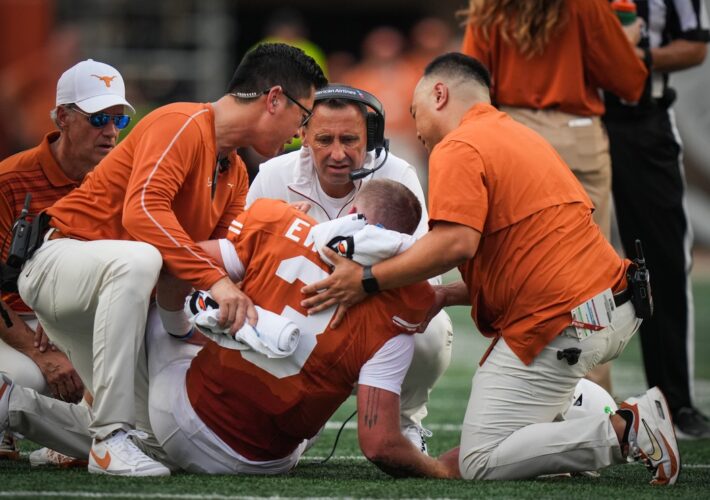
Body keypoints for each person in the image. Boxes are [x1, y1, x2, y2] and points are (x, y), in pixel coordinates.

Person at [302, 53, 680, 485]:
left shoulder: (460, 145)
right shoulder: (518, 136)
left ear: (439, 94)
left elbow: (456, 243)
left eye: (416, 112)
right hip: (609, 306)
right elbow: (519, 255)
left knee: (480, 460)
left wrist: (367, 281)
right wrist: (443, 294)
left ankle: (627, 430)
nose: (418, 128)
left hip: (565, 320)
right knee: (488, 449)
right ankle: (583, 419)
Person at [0, 180, 459, 478]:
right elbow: (379, 444)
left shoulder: (278, 219)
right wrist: (441, 472)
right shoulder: (404, 305)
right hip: (266, 461)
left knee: (154, 289)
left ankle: (77, 421)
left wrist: (184, 327)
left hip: (179, 408)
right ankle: (21, 409)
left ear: (352, 208)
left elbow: (173, 264)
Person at [14, 43, 327, 477]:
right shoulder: (181, 121)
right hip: (60, 260)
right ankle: (107, 442)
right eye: (304, 115)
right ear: (274, 99)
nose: (300, 133)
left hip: (118, 295)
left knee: (162, 441)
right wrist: (218, 284)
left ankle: (11, 406)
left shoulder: (234, 172)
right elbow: (143, 211)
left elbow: (221, 256)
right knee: (140, 259)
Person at [247, 84, 453, 451]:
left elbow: (427, 269)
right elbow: (241, 263)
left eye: (350, 139)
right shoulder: (272, 177)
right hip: (298, 310)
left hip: (376, 309)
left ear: (370, 138)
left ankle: (404, 420)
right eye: (325, 139)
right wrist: (276, 233)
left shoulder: (398, 172)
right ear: (303, 134)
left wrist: (364, 281)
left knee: (430, 328)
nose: (338, 153)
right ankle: (288, 411)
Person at [460, 0, 648, 392]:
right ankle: (591, 397)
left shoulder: (488, 7)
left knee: (518, 269)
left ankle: (521, 389)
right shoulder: (587, 5)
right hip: (577, 133)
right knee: (590, 274)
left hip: (512, 134)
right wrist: (626, 38)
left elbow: (470, 82)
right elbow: (630, 81)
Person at [0, 59, 133, 464]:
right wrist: (43, 353)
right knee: (27, 378)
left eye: (118, 120)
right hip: (17, 328)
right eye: (98, 119)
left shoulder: (123, 182)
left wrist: (68, 335)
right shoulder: (9, 180)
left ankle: (63, 440)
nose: (111, 132)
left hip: (81, 322)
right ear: (63, 118)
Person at [603, 0, 710, 439]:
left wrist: (627, 57)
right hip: (573, 120)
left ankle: (674, 400)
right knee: (555, 258)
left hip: (645, 120)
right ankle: (562, 398)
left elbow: (695, 47)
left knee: (663, 259)